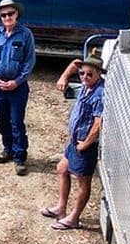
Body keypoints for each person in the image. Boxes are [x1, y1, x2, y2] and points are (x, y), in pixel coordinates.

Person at [40, 55, 105, 230]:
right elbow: (75, 63)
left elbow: (98, 123)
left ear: (99, 74)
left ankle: (74, 218)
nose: (84, 77)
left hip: (84, 145)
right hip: (74, 142)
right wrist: (65, 76)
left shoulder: (99, 94)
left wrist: (86, 144)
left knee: (83, 181)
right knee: (62, 168)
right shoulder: (86, 86)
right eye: (82, 73)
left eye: (89, 74)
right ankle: (61, 209)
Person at [0, 0, 36, 176]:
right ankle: (7, 149)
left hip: (17, 87)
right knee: (1, 120)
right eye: (3, 15)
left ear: (17, 14)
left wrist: (17, 81)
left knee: (16, 122)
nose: (7, 17)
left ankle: (20, 157)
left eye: (10, 14)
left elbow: (29, 62)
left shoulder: (25, 34)